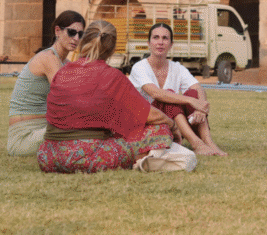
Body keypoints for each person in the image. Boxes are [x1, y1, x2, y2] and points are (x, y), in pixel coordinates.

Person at [38, 20, 179, 174]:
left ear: (84, 41)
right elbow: (149, 115)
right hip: (86, 157)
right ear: (112, 49)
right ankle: (142, 158)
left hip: (48, 156)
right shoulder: (111, 76)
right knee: (160, 130)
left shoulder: (62, 72)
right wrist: (172, 125)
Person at [129, 22, 226, 156]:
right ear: (149, 43)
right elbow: (156, 94)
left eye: (165, 38)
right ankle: (196, 144)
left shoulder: (177, 67)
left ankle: (208, 142)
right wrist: (190, 101)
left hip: (171, 121)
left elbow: (197, 87)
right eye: (156, 37)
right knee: (170, 95)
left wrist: (201, 107)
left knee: (193, 93)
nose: (160, 42)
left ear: (171, 44)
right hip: (148, 120)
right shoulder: (139, 67)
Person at [7, 10, 85, 156]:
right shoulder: (47, 58)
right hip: (23, 137)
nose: (76, 38)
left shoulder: (65, 63)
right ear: (58, 31)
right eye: (71, 32)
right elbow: (69, 98)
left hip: (45, 129)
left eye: (80, 35)